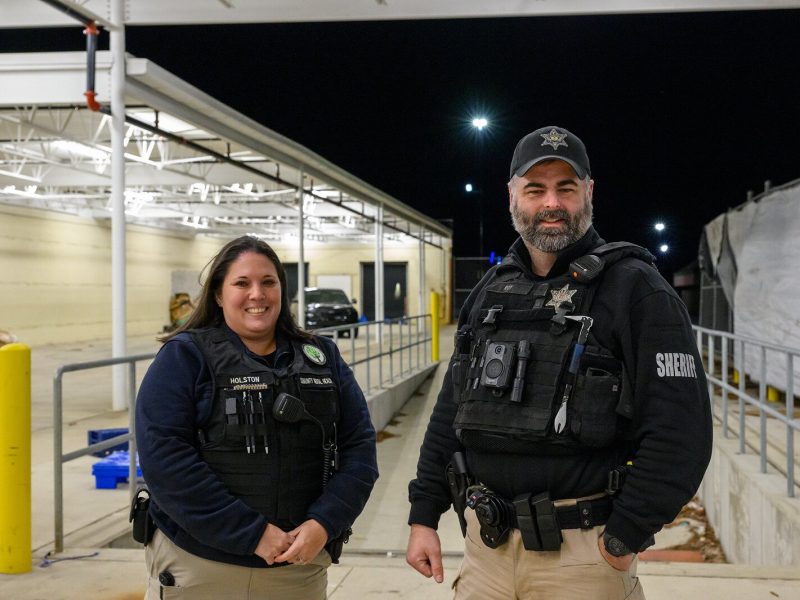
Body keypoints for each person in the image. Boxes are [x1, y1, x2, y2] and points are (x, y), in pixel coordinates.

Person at [406, 126, 712, 599]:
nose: (551, 203)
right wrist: (424, 514)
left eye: (565, 188)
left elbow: (681, 432)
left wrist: (624, 536)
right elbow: (451, 411)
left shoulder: (636, 289)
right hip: (485, 553)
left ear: (588, 193)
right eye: (535, 189)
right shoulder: (491, 290)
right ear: (512, 196)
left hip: (582, 557)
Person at [136, 235, 378, 600]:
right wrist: (251, 533)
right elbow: (165, 461)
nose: (257, 294)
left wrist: (325, 524)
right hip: (200, 568)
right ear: (219, 294)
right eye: (242, 283)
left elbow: (359, 448)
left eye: (268, 282)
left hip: (296, 570)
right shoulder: (184, 359)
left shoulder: (321, 357)